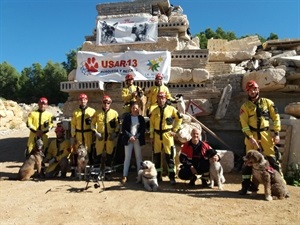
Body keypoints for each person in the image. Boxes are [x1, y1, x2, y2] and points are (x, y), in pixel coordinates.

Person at [239, 80, 282, 194]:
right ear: (248, 92)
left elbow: (276, 117)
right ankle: (246, 186)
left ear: (258, 89)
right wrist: (250, 138)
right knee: (248, 161)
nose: (253, 92)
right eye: (250, 90)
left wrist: (276, 133)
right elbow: (244, 124)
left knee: (272, 160)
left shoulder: (268, 103)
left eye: (254, 89)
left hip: (265, 135)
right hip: (251, 136)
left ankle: (281, 185)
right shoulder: (245, 106)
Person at [149, 91, 182, 184]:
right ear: (157, 99)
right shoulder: (154, 111)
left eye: (162, 98)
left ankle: (171, 177)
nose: (161, 100)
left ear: (165, 99)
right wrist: (151, 136)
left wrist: (175, 130)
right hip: (156, 135)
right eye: (159, 98)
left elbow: (179, 119)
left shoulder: (171, 109)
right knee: (156, 157)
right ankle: (158, 176)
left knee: (170, 156)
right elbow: (151, 124)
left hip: (168, 135)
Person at [91, 95, 120, 172]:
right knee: (97, 154)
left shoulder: (115, 113)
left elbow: (118, 125)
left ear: (110, 103)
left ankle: (108, 172)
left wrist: (115, 133)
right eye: (104, 103)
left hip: (110, 138)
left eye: (108, 103)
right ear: (102, 103)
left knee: (109, 155)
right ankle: (96, 171)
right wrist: (96, 132)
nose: (106, 104)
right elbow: (92, 124)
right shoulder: (97, 113)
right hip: (100, 137)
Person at [121, 101, 146, 184]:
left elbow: (142, 130)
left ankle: (139, 176)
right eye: (133, 108)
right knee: (127, 157)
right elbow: (124, 129)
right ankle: (125, 175)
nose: (135, 110)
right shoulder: (127, 118)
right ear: (131, 109)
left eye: (136, 108)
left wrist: (136, 137)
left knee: (139, 157)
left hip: (137, 140)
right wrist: (130, 136)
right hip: (128, 139)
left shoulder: (141, 118)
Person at [70, 93, 95, 166]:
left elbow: (95, 123)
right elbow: (73, 125)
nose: (83, 101)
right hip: (79, 134)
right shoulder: (75, 112)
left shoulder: (92, 111)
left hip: (88, 133)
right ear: (79, 101)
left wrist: (94, 133)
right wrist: (73, 135)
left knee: (89, 150)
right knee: (78, 151)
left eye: (84, 99)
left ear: (87, 100)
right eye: (81, 100)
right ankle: (77, 168)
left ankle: (89, 167)